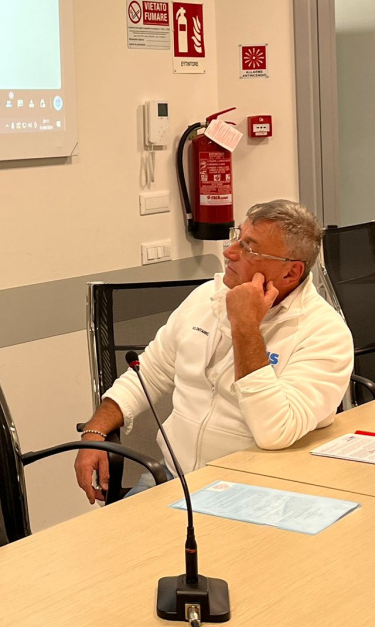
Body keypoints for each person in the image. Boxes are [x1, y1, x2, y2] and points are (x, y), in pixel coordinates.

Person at [75, 200, 354, 503]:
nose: (229, 252)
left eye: (249, 249)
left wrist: (245, 326)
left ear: (290, 273)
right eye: (237, 238)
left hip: (255, 492)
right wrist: (95, 432)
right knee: (117, 534)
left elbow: (275, 431)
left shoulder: (324, 333)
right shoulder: (206, 297)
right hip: (173, 476)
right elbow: (149, 373)